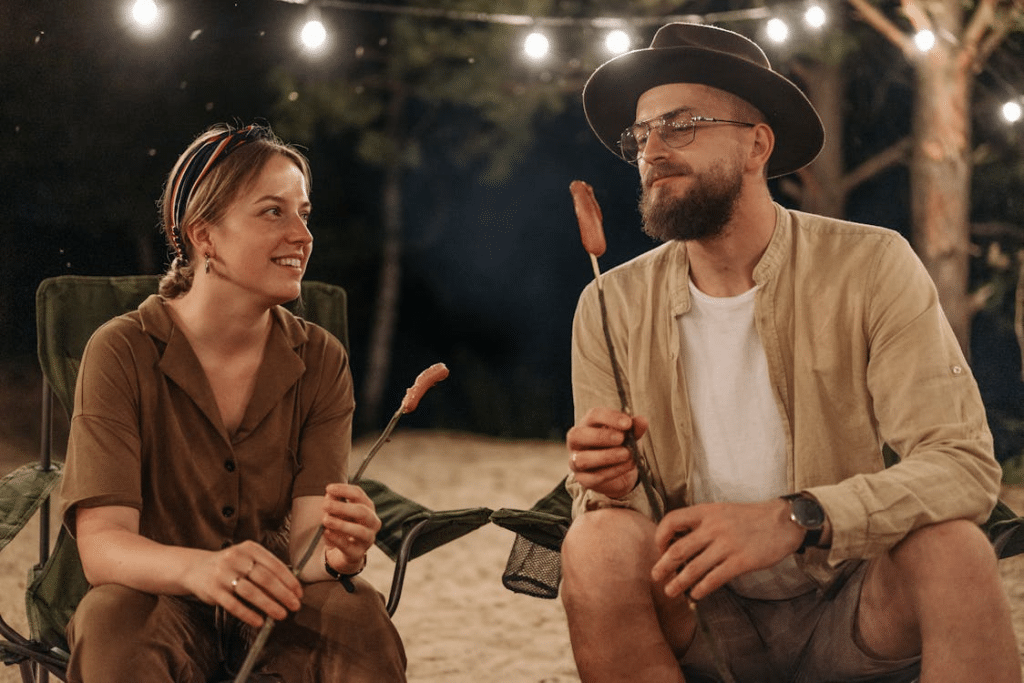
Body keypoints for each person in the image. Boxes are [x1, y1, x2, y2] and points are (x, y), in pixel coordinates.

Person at [561, 23, 1020, 683]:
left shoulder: (869, 264)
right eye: (641, 135)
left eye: (682, 125)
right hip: (704, 615)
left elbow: (964, 466)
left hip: (851, 601)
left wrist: (797, 516)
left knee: (956, 547)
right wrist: (616, 486)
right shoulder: (609, 304)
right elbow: (613, 512)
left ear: (757, 145)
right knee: (595, 543)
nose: (652, 150)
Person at [59, 122, 407, 682]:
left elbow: (307, 542)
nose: (302, 235)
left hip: (278, 601)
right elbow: (103, 547)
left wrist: (340, 554)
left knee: (358, 615)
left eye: (304, 213)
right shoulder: (122, 350)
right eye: (273, 212)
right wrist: (202, 569)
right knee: (109, 622)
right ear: (204, 236)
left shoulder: (320, 359)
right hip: (159, 596)